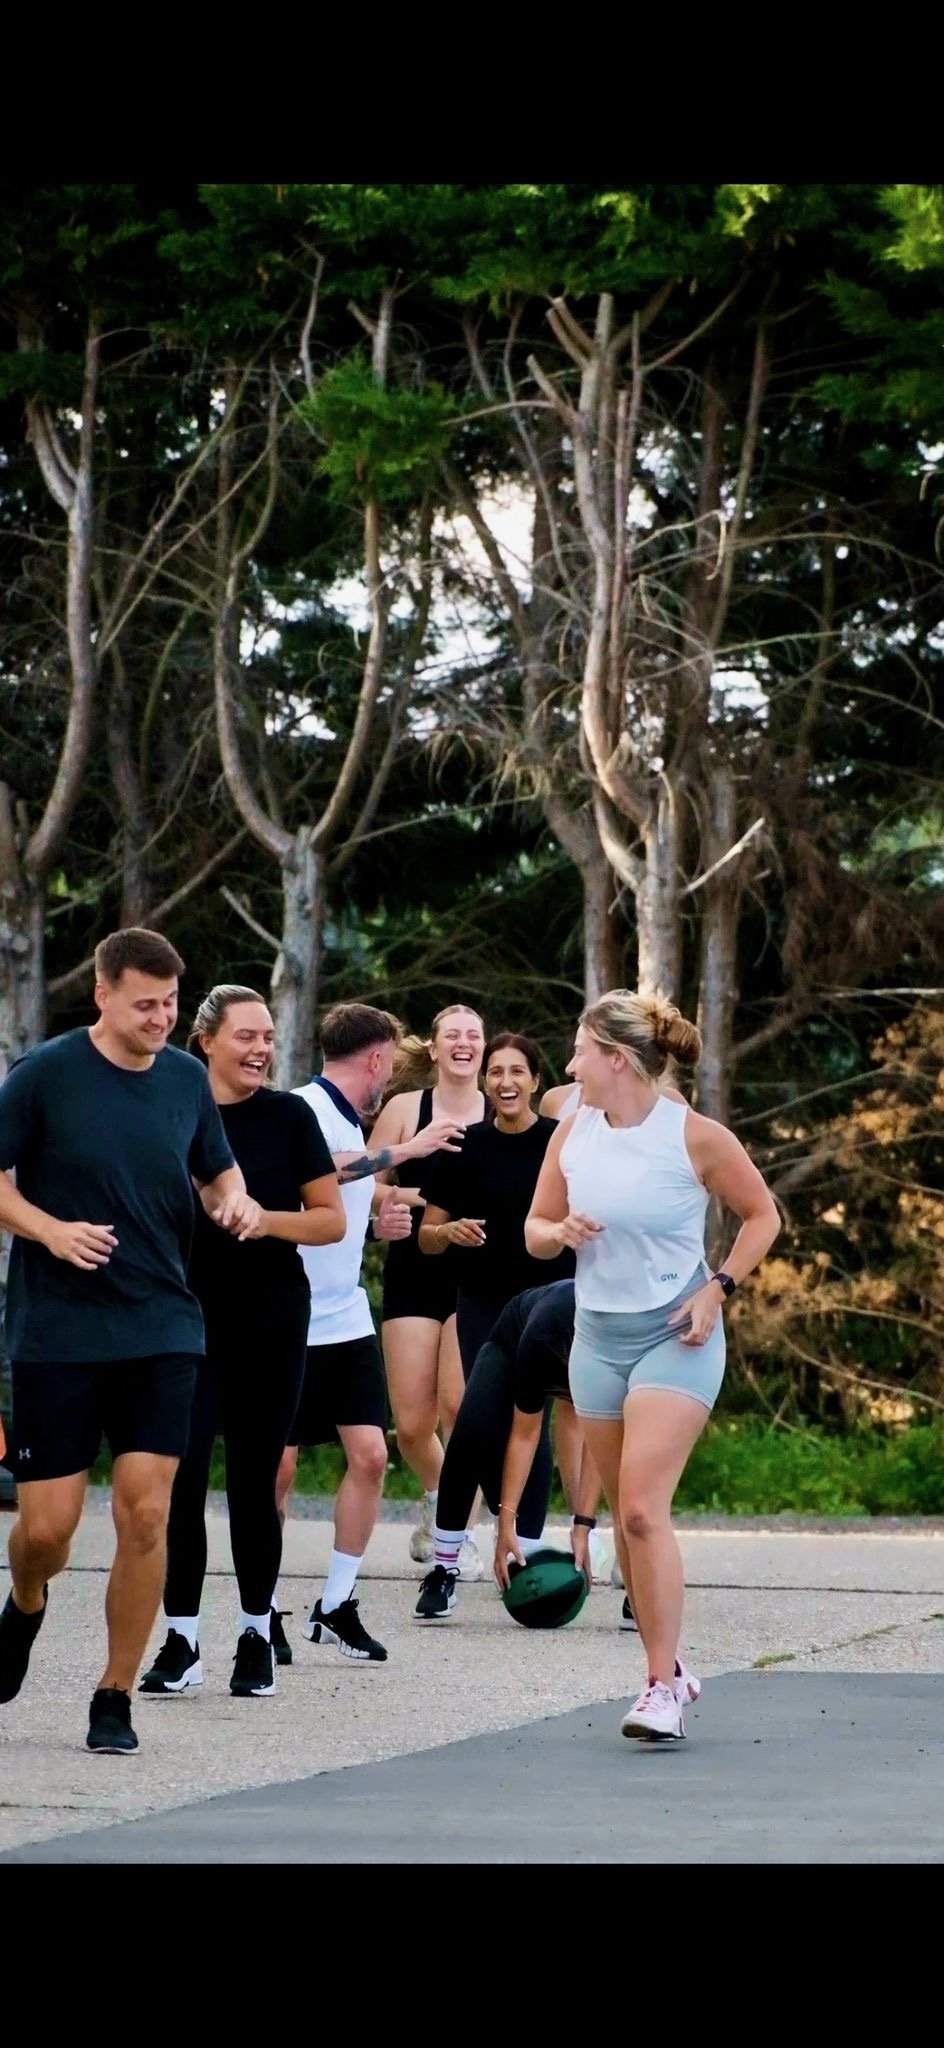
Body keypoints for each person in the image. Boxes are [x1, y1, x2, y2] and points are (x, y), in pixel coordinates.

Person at [0, 928, 257, 1755]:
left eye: (170, 1004)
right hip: (60, 1329)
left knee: (146, 1512)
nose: (160, 1018)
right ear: (103, 995)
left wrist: (236, 1202)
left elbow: (217, 1169)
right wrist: (48, 1230)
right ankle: (28, 1601)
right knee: (47, 1528)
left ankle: (114, 1694)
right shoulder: (44, 1076)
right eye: (144, 1003)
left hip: (162, 1323)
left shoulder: (186, 1080)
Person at [525, 989, 781, 1742]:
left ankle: (659, 1686)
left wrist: (718, 1288)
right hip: (596, 1339)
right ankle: (668, 1667)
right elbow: (534, 1231)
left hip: (678, 1334)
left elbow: (763, 1216)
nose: (568, 1064)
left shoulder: (695, 1137)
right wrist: (558, 1230)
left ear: (615, 1059)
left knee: (640, 1509)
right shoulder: (572, 1133)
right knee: (627, 1522)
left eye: (578, 1050)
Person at [139, 986, 345, 1702]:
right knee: (181, 1481)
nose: (260, 1049)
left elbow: (331, 1222)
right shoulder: (168, 1113)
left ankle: (256, 1633)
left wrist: (264, 1218)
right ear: (206, 1041)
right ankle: (182, 1640)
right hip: (182, 1323)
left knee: (255, 1483)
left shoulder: (289, 1118)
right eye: (245, 1036)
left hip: (270, 1320)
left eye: (267, 1037)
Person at [276, 1002, 466, 1663]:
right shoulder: (301, 1107)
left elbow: (348, 1193)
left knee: (372, 1456)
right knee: (280, 1466)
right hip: (292, 1317)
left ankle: (335, 1602)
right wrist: (405, 1153)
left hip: (346, 1315)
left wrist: (380, 1214)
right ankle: (263, 1607)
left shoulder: (349, 1116)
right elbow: (324, 1171)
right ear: (378, 1058)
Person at [413, 1279, 613, 1621]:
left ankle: (530, 1550)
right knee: (473, 1427)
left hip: (575, 1350)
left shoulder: (615, 1351)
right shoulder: (542, 1337)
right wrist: (505, 1522)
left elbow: (598, 1446)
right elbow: (525, 1434)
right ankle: (444, 1568)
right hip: (513, 1334)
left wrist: (583, 1525)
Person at [370, 1005, 487, 1576]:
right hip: (415, 1265)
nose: (464, 1043)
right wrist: (407, 1203)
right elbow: (365, 1182)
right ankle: (444, 1499)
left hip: (478, 1268)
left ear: (483, 1049)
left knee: (459, 1406)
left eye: (474, 1035)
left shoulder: (501, 1108)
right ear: (435, 1050)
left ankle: (453, 1529)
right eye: (453, 1036)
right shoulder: (403, 1109)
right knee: (413, 1424)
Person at [418, 1032, 575, 1381]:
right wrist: (447, 1231)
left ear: (534, 1081)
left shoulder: (562, 1140)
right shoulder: (462, 1144)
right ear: (485, 1081)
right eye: (495, 1072)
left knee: (530, 1414)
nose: (506, 1082)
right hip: (480, 1303)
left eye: (517, 1072)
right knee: (486, 1410)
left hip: (547, 1298)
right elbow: (426, 1238)